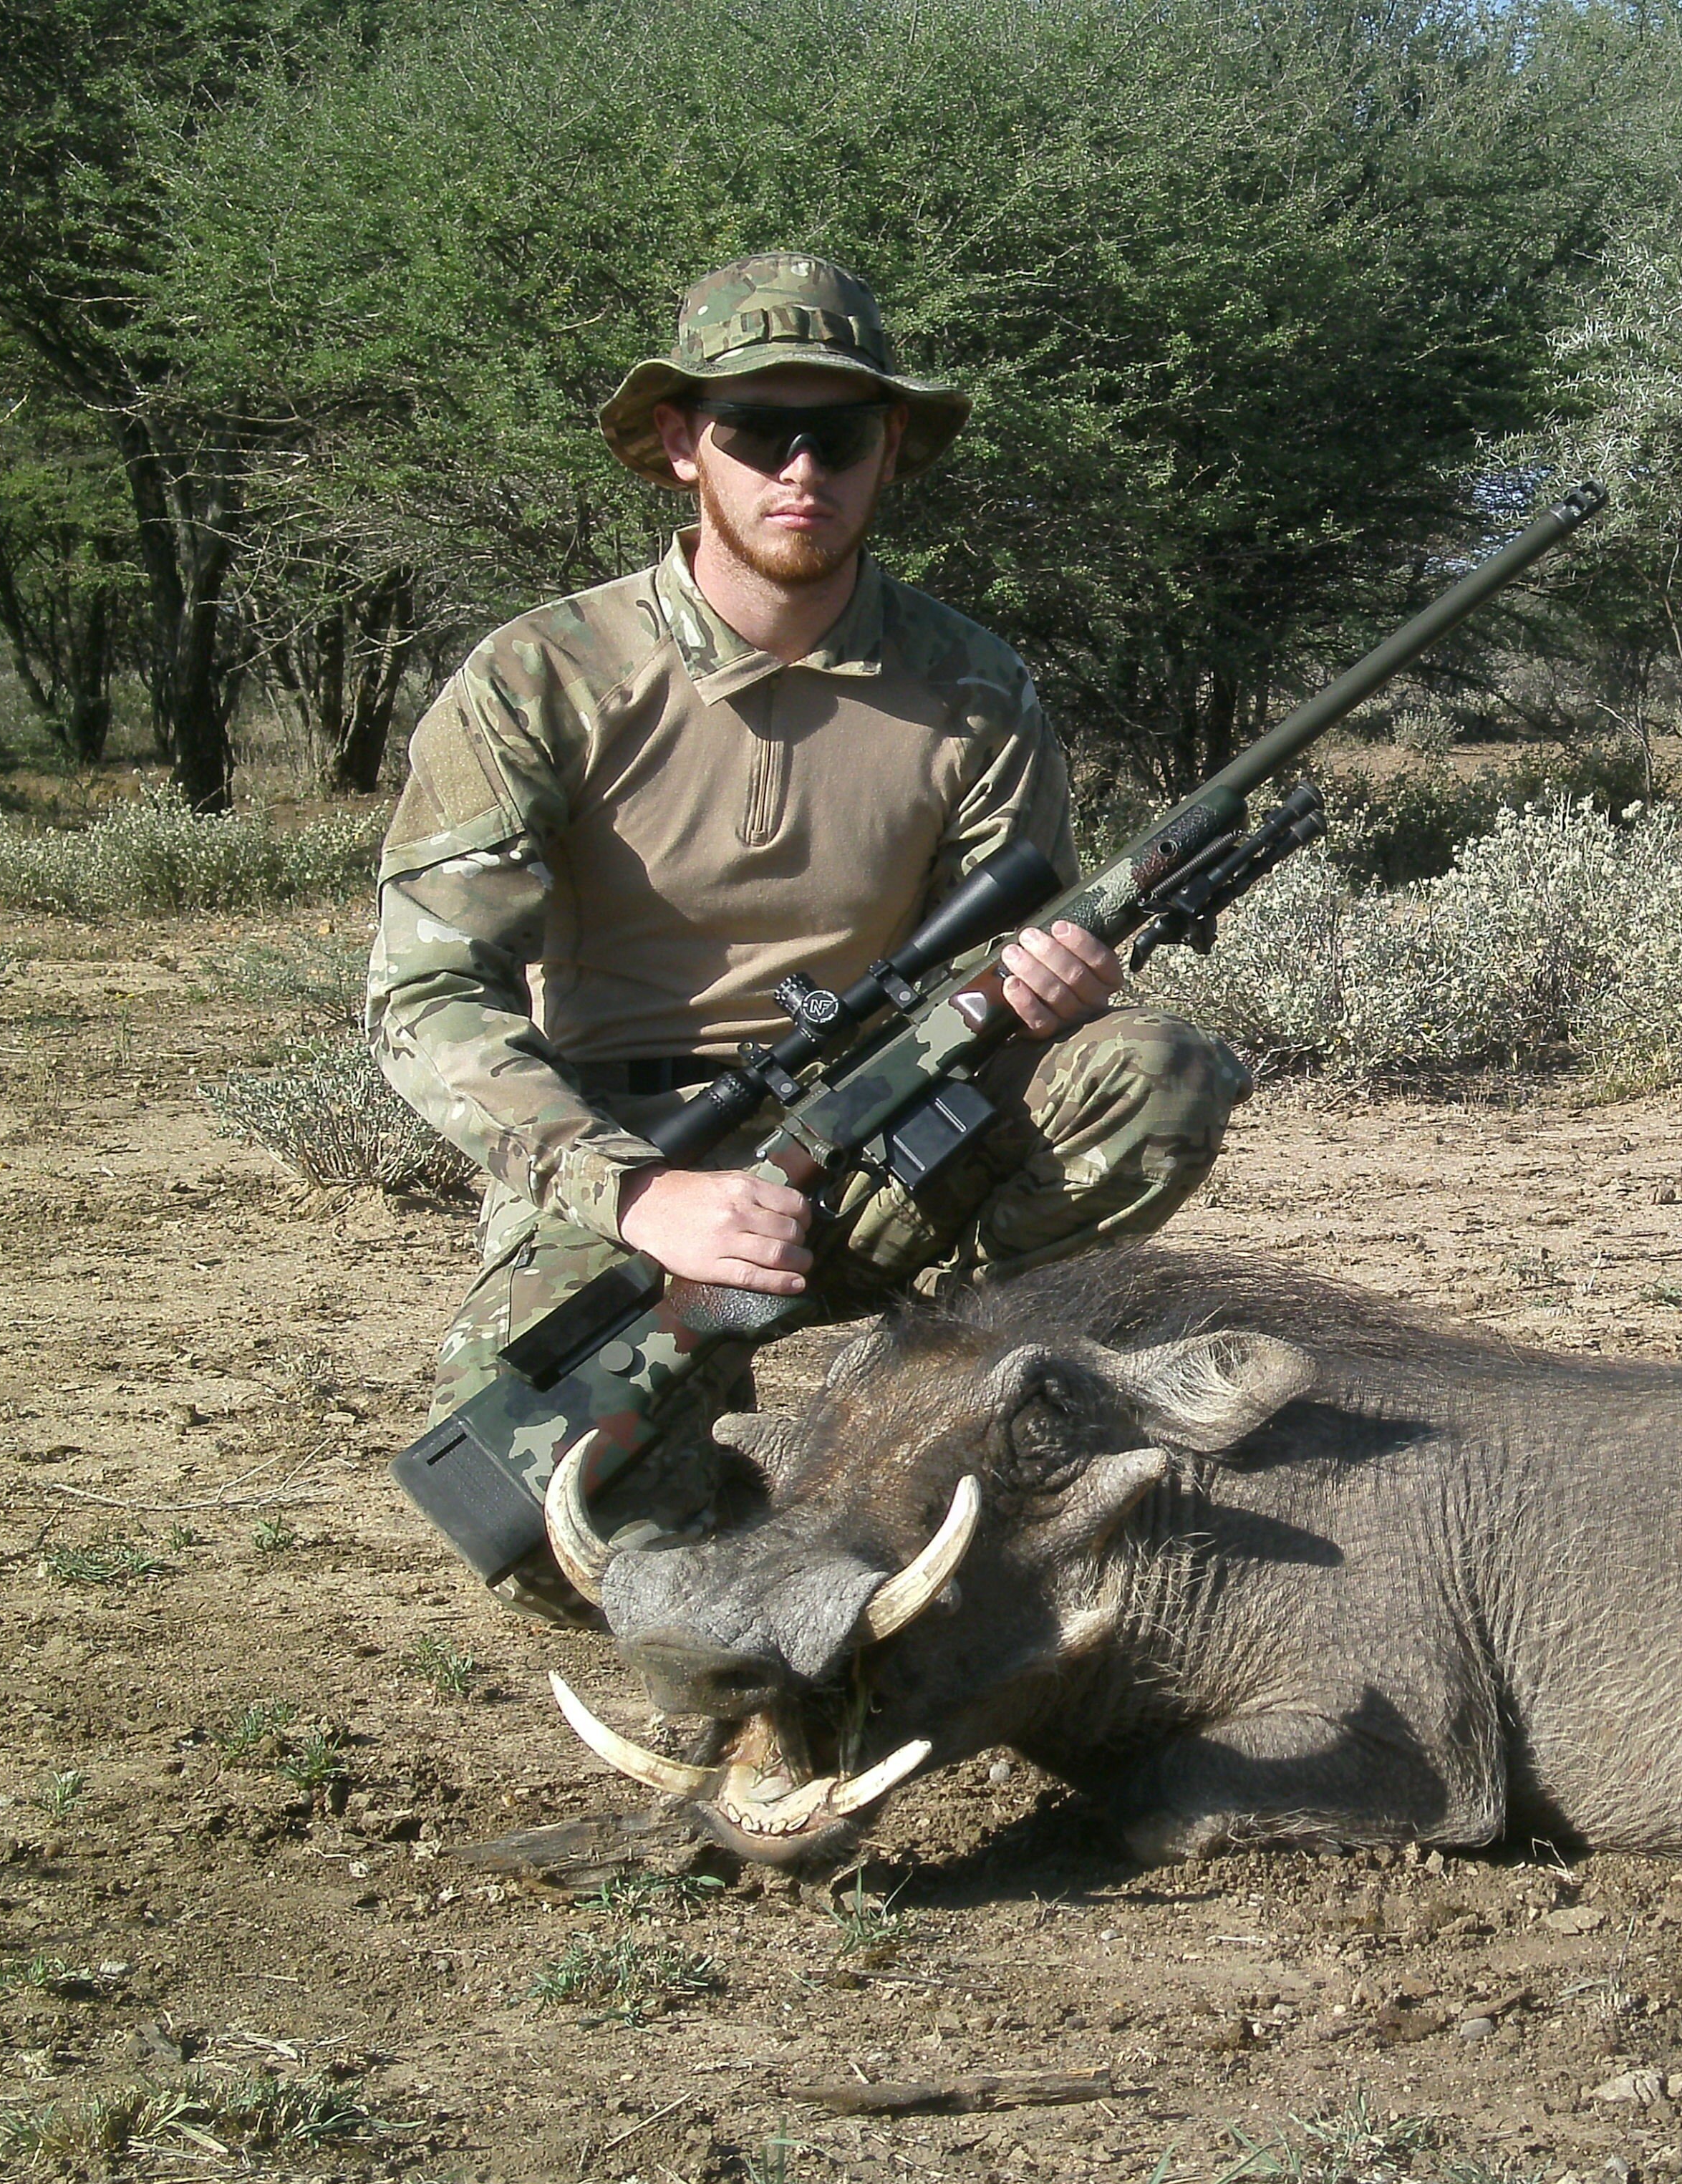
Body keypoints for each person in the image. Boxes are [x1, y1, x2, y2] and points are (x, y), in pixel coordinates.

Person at [369, 251, 1247, 1620]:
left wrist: (1050, 993)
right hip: (630, 1156)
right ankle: (785, 1538)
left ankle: (966, 1410)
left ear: (887, 449)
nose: (799, 468)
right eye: (752, 431)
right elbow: (428, 998)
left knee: (1154, 1069)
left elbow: (1001, 960)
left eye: (835, 436)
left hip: (890, 1130)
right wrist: (641, 1193)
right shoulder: (536, 678)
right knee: (533, 1511)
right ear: (678, 446)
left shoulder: (972, 682)